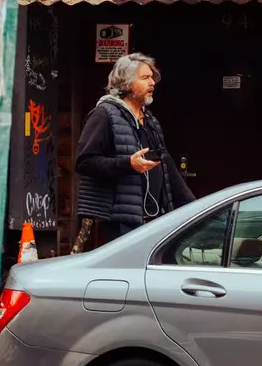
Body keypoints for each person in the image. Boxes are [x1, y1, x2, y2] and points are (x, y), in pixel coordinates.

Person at [74, 53, 194, 250]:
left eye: (152, 78)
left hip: (153, 219)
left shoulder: (150, 121)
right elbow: (84, 162)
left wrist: (192, 206)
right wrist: (128, 164)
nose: (152, 83)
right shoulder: (104, 115)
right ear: (126, 83)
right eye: (145, 78)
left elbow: (167, 168)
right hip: (120, 221)